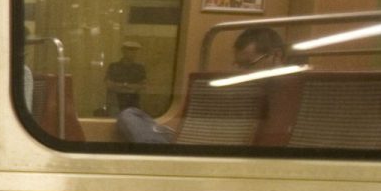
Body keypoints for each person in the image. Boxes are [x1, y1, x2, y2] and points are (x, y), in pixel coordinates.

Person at [117, 26, 286, 145]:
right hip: (205, 138)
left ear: (276, 56)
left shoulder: (286, 90)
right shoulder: (240, 86)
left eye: (248, 64)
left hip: (225, 147)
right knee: (130, 115)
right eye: (238, 65)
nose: (241, 72)